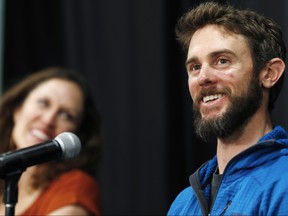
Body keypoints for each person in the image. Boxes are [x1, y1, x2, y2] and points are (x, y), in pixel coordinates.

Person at [168, 1, 288, 215]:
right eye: (195, 67)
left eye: (222, 61)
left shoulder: (284, 184)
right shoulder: (182, 205)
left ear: (269, 73)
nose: (203, 77)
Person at [0, 67, 102, 215]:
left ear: (77, 132)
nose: (48, 120)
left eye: (66, 115)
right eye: (43, 103)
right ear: (18, 109)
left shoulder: (76, 186)